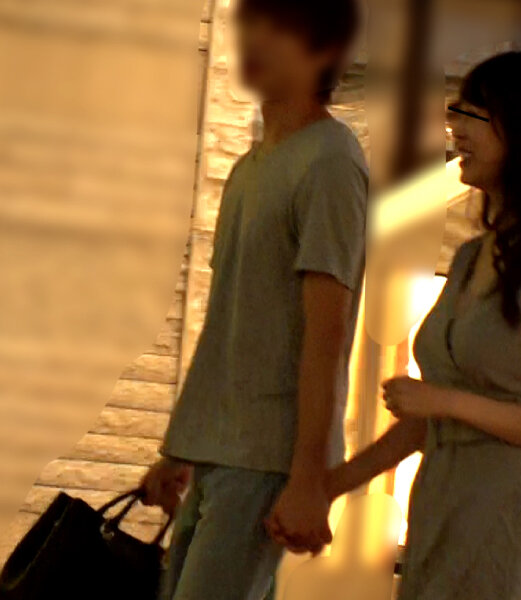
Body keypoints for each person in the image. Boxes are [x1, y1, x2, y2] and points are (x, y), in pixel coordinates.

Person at [322, 52, 521, 600]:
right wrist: (330, 485)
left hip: (502, 504)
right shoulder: (474, 255)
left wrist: (447, 403)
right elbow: (428, 418)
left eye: (475, 114)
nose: (456, 127)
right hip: (440, 494)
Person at [139, 1, 366, 598]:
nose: (254, 41)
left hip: (267, 454)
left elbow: (326, 336)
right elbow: (229, 324)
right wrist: (181, 448)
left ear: (322, 49)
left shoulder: (331, 161)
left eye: (277, 28)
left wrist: (307, 477)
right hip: (219, 447)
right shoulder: (248, 168)